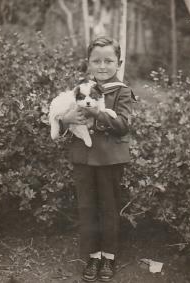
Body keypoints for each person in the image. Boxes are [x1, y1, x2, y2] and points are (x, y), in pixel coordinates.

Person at [60, 36, 134, 282]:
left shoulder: (121, 91)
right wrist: (66, 120)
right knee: (87, 207)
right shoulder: (82, 89)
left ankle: (109, 257)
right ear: (88, 63)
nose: (102, 66)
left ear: (119, 63)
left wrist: (97, 113)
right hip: (83, 158)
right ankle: (93, 255)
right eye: (96, 61)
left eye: (109, 61)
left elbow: (123, 125)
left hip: (110, 159)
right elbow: (62, 114)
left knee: (108, 208)